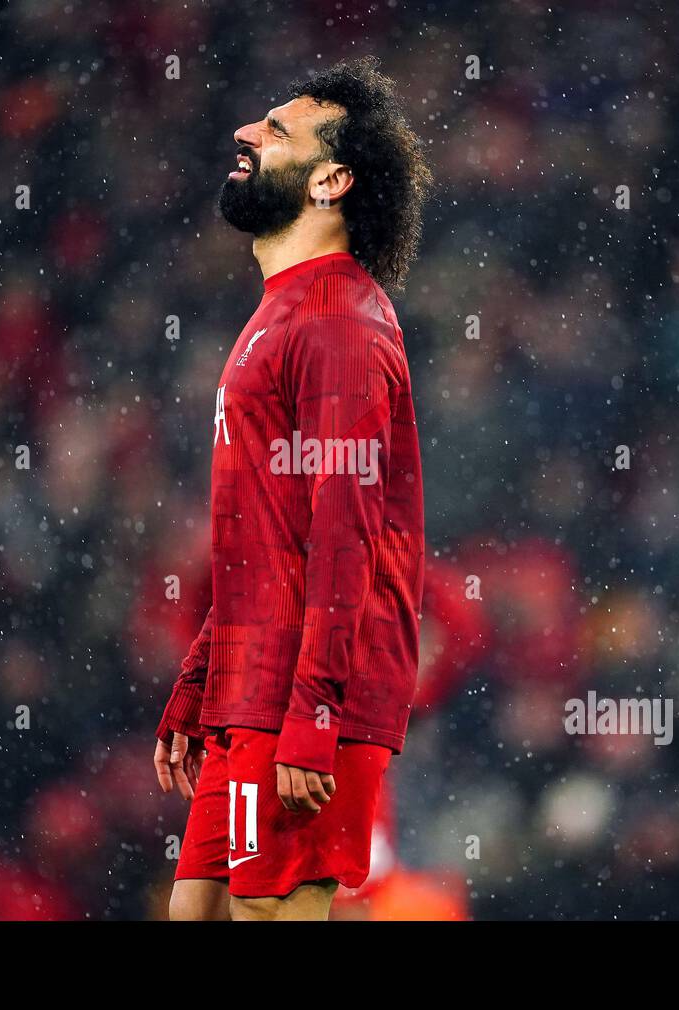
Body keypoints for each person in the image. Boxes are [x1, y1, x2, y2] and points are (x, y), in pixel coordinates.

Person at [152, 55, 432, 921]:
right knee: (194, 913)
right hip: (255, 688)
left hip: (304, 702)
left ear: (331, 180)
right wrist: (202, 680)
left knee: (270, 915)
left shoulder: (338, 321)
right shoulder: (284, 309)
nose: (245, 133)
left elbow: (343, 536)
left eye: (276, 132)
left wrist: (314, 716)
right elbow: (264, 536)